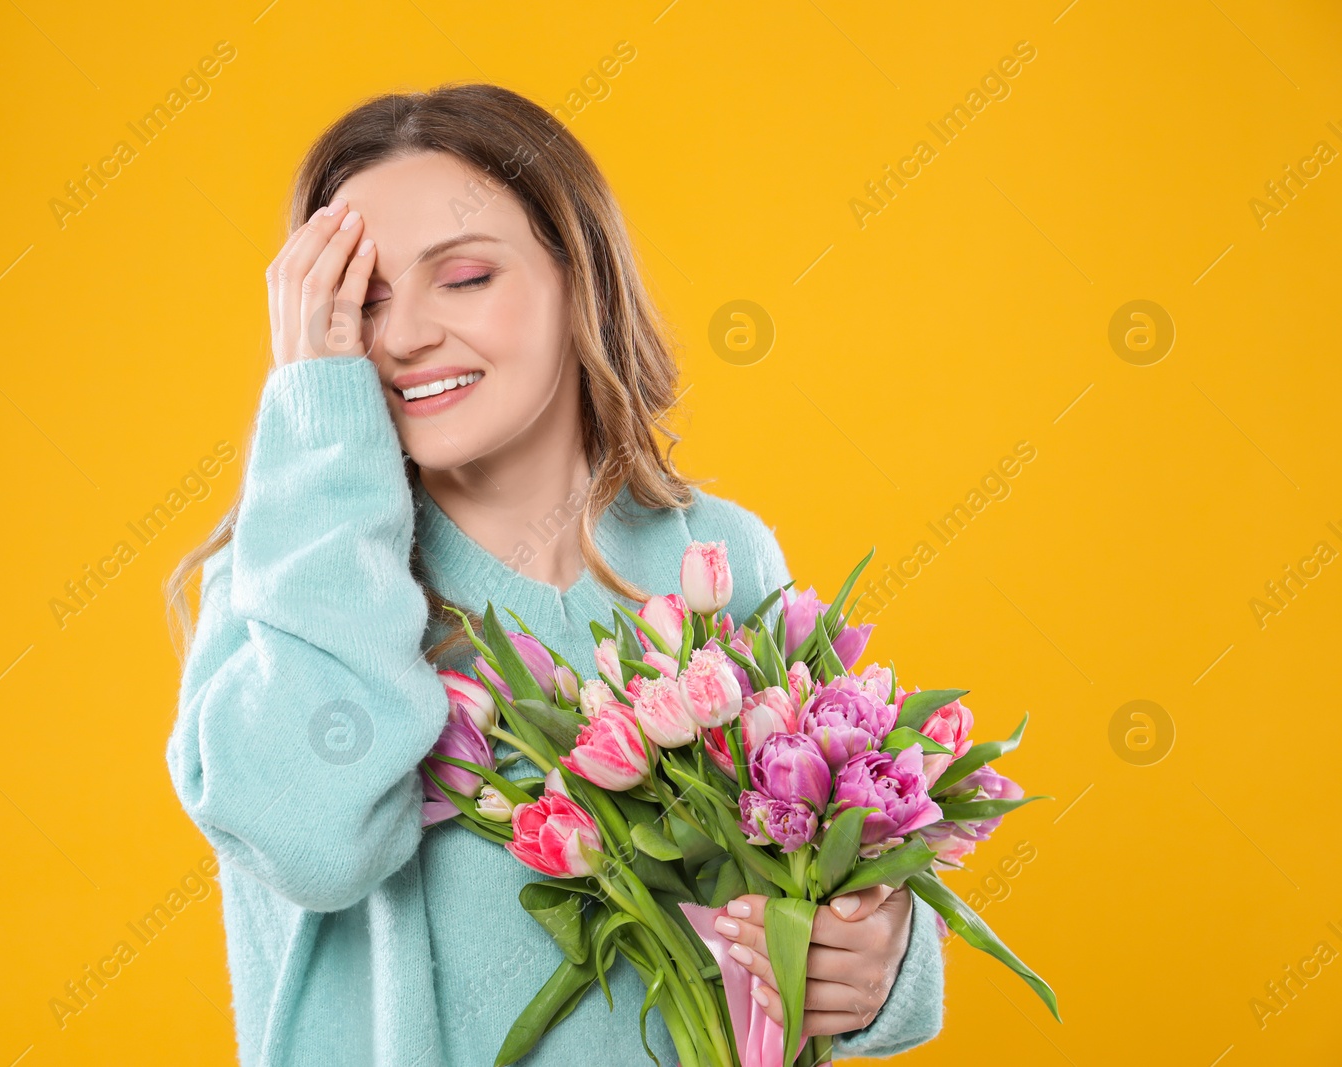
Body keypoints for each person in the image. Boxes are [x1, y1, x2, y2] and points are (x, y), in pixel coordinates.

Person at [164, 82, 944, 1067]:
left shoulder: (714, 558)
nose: (402, 336)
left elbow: (805, 886)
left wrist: (879, 956)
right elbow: (318, 844)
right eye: (359, 299)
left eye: (464, 277)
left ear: (579, 278)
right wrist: (318, 427)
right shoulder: (281, 586)